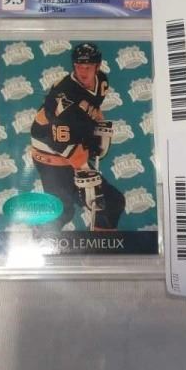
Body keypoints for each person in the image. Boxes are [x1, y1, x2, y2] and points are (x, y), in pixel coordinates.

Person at [30, 42, 125, 230]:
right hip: (50, 150)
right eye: (79, 66)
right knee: (63, 211)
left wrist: (95, 121)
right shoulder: (64, 93)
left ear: (98, 66)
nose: (83, 71)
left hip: (70, 140)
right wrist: (84, 169)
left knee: (112, 202)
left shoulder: (101, 82)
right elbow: (51, 131)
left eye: (88, 67)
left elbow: (91, 108)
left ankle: (101, 244)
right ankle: (39, 239)